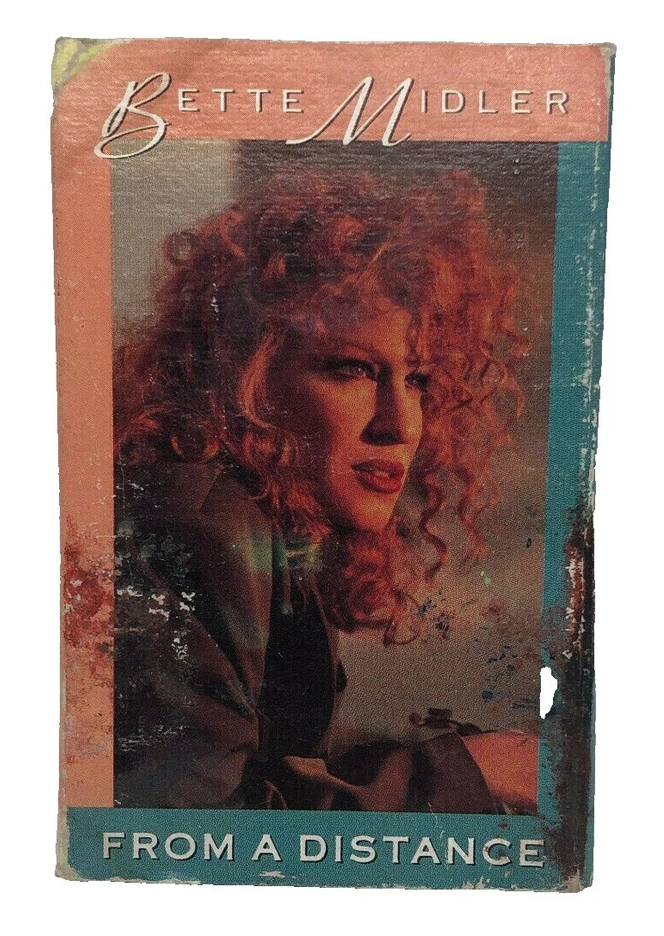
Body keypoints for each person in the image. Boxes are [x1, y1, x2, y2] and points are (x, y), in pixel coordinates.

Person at [113, 169, 537, 813]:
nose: (399, 425)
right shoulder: (204, 528)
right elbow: (196, 834)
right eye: (353, 369)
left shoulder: (274, 533)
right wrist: (463, 773)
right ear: (246, 374)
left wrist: (442, 764)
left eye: (418, 380)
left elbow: (263, 772)